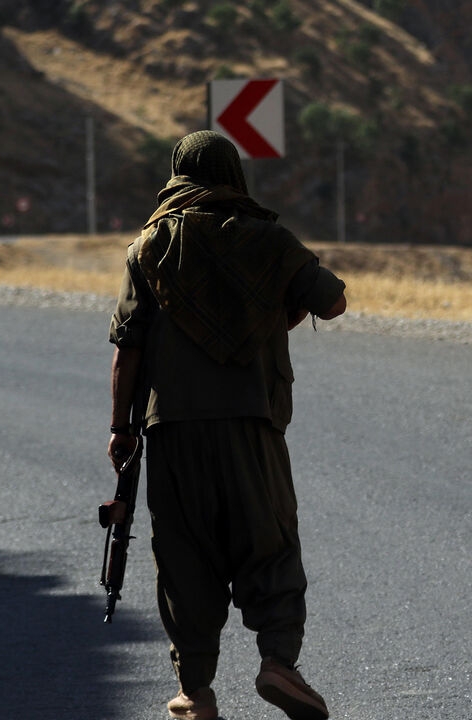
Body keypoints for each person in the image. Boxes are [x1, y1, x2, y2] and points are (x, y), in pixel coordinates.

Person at [107, 130, 346, 720]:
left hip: (173, 432)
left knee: (184, 557)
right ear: (233, 173)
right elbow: (333, 300)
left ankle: (195, 691)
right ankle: (278, 664)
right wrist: (276, 313)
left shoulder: (149, 247)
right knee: (270, 544)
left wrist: (121, 428)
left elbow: (127, 349)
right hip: (252, 426)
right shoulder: (269, 240)